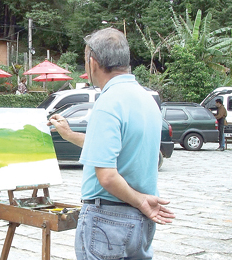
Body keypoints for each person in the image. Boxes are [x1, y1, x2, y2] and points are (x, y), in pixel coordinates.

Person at [48, 28, 175, 259]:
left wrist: (140, 202)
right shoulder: (145, 99)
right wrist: (69, 135)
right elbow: (112, 148)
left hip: (108, 218)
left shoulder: (108, 102)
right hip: (140, 221)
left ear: (93, 62)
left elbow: (106, 175)